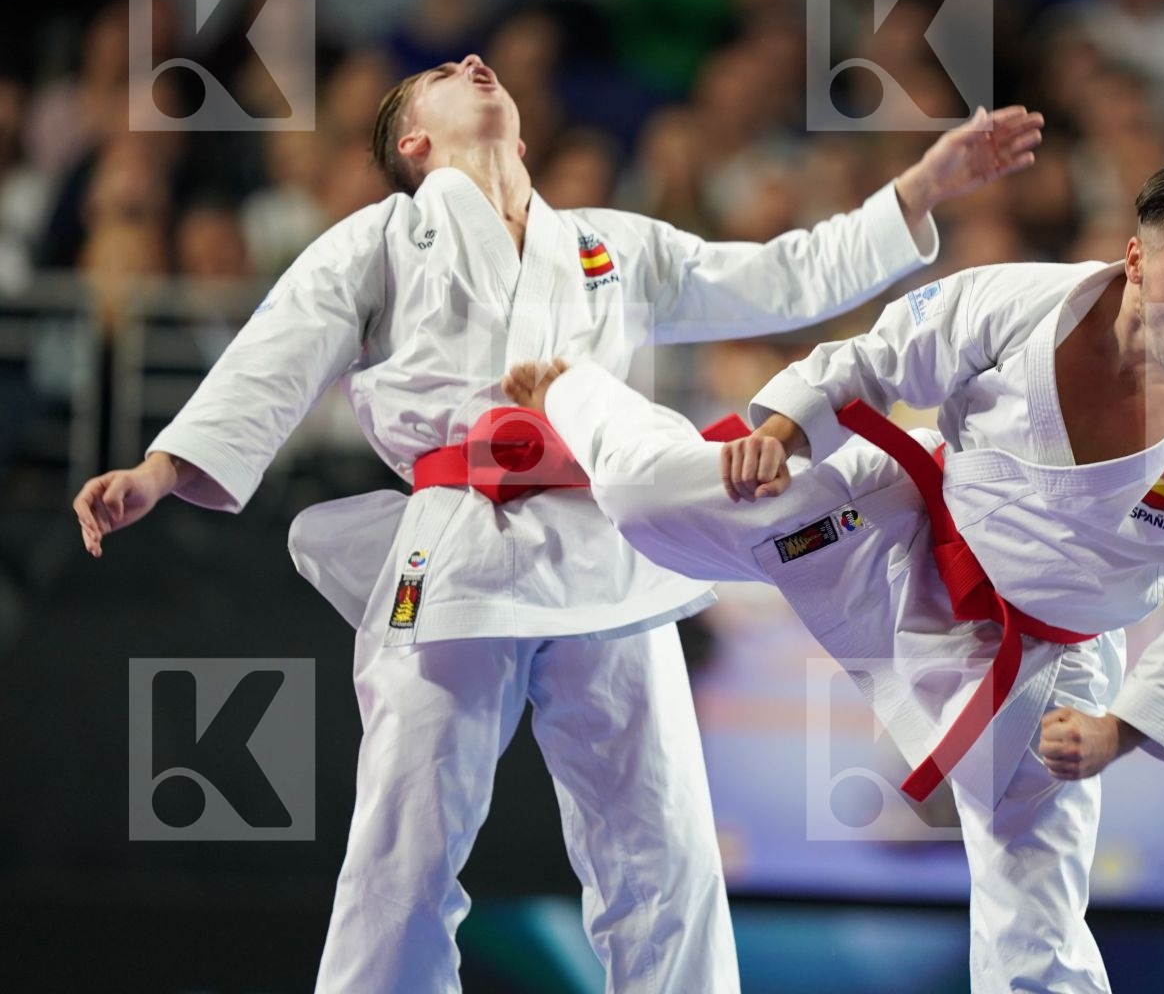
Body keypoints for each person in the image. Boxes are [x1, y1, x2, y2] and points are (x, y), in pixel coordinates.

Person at [70, 52, 1044, 994]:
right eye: (442, 75)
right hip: (456, 548)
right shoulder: (383, 239)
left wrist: (917, 190)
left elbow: (779, 276)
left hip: (612, 545)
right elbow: (277, 351)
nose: (473, 61)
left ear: (526, 138)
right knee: (406, 841)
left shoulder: (608, 245)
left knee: (665, 847)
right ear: (412, 142)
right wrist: (162, 469)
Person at [509, 154, 1164, 993]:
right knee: (650, 498)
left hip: (1043, 668)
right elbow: (878, 358)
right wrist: (780, 432)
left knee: (1038, 937)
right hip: (893, 530)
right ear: (1136, 259)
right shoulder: (1021, 302)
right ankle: (574, 394)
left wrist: (1119, 731)